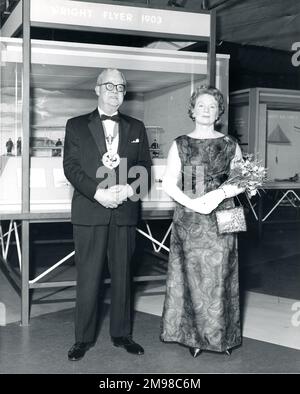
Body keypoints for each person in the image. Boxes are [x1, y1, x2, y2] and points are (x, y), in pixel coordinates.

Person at [63, 68, 151, 361]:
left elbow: (145, 170)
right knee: (88, 277)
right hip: (90, 210)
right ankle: (82, 339)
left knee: (124, 275)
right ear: (97, 89)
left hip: (124, 211)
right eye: (109, 85)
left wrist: (128, 191)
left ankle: (122, 334)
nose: (115, 91)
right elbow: (71, 168)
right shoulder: (75, 125)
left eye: (121, 87)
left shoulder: (136, 127)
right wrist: (98, 193)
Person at [160, 85, 244, 357]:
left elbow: (242, 180)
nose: (206, 110)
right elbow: (169, 185)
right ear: (192, 110)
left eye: (212, 106)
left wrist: (220, 194)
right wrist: (194, 203)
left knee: (223, 275)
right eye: (201, 105)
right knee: (193, 276)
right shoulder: (181, 143)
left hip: (225, 213)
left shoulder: (231, 144)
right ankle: (195, 338)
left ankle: (223, 338)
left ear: (219, 112)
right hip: (191, 216)